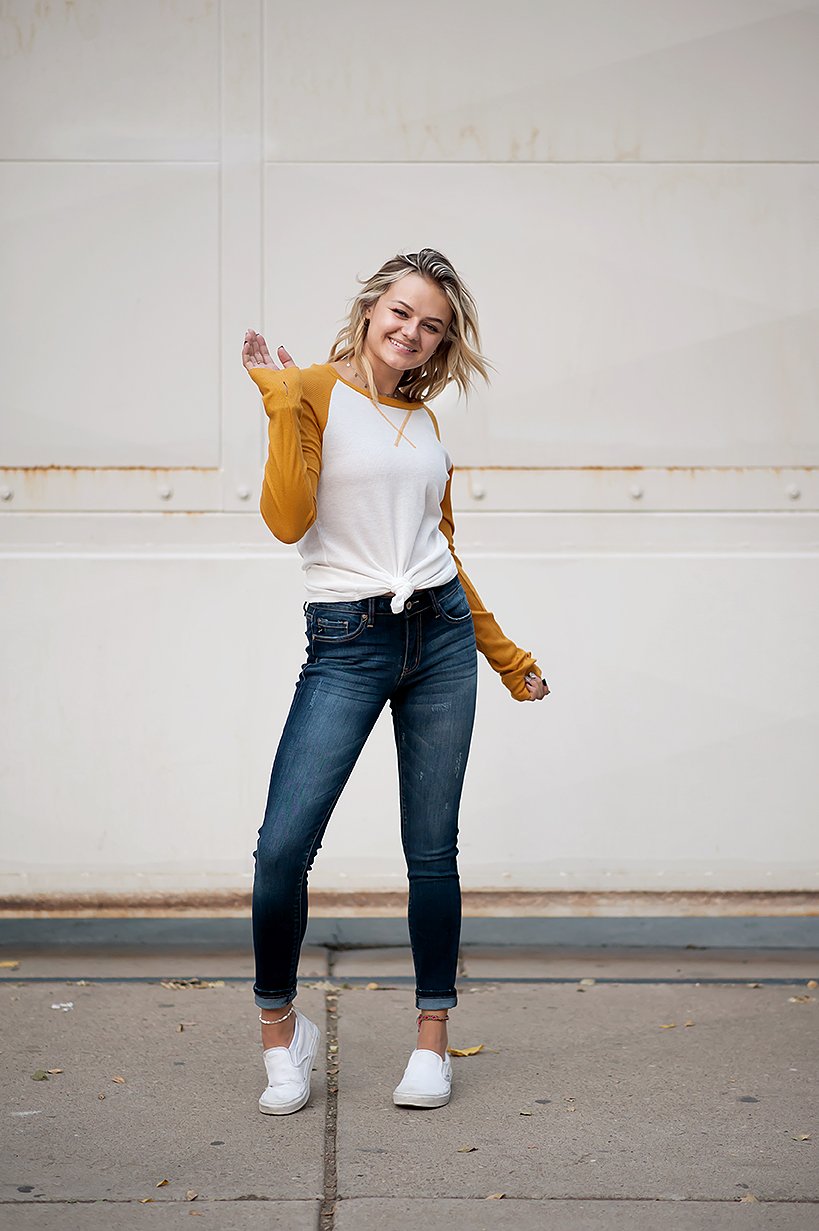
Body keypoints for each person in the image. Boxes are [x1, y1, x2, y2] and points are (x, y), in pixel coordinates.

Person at [242, 248, 549, 1116]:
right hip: (346, 639)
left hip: (442, 637)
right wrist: (278, 398)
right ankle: (280, 1031)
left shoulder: (426, 424)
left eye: (433, 326)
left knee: (432, 850)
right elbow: (287, 518)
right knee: (280, 849)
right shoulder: (307, 390)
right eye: (402, 312)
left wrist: (503, 653)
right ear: (371, 306)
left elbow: (442, 553)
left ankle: (431, 1039)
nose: (413, 333)